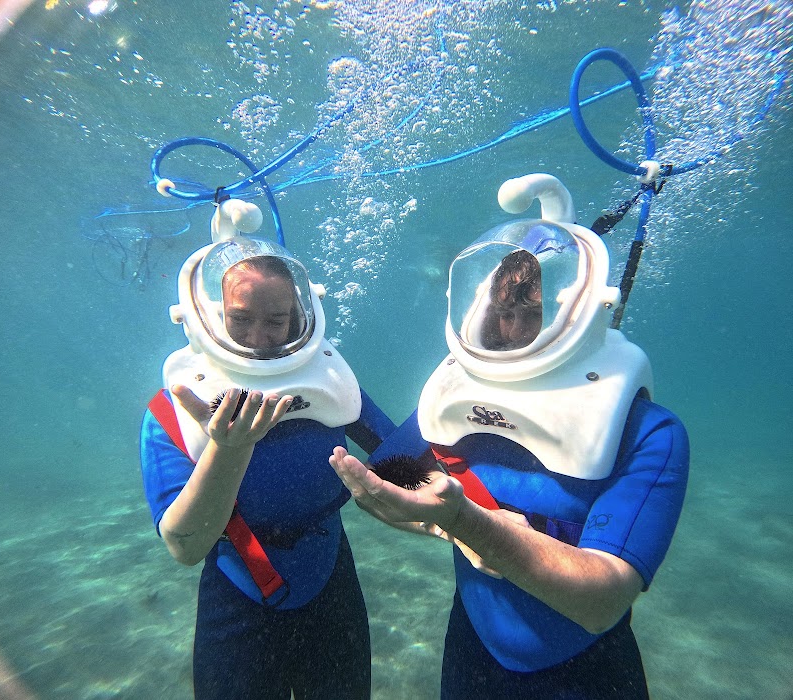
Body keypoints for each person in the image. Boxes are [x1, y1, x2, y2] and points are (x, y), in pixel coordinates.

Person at [330, 179, 689, 699]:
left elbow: (602, 602)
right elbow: (382, 481)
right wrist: (449, 527)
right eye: (504, 312)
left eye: (533, 311)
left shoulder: (648, 431)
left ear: (577, 308)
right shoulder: (457, 393)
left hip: (585, 672)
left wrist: (462, 520)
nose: (515, 331)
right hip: (471, 650)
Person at [140, 227, 394, 700]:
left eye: (276, 321)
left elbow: (405, 459)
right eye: (241, 319)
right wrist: (227, 448)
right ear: (211, 317)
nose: (259, 340)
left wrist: (471, 516)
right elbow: (185, 546)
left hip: (330, 574)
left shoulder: (330, 382)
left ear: (302, 316)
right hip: (239, 589)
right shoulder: (173, 408)